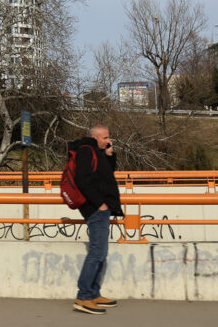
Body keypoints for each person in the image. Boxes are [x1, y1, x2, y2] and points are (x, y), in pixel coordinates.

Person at [70, 124, 122, 314]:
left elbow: (106, 177)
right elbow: (82, 179)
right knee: (96, 253)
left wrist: (109, 155)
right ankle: (83, 297)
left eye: (109, 137)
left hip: (101, 208)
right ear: (95, 137)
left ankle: (93, 293)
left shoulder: (96, 152)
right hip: (95, 208)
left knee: (100, 253)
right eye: (105, 138)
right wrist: (100, 203)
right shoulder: (86, 150)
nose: (109, 141)